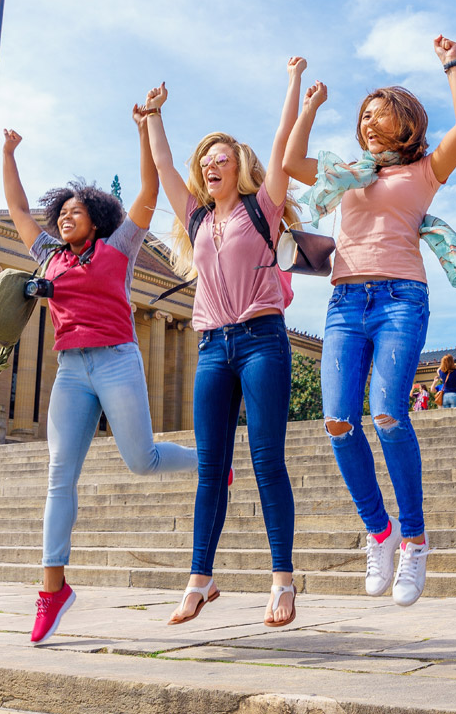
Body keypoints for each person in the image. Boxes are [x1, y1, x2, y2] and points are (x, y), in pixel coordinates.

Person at [283, 33, 456, 607]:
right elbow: (293, 162)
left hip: (400, 299)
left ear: (407, 123)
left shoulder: (422, 171)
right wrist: (309, 105)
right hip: (345, 303)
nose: (369, 122)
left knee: (389, 414)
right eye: (364, 114)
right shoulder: (347, 171)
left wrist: (452, 65)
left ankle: (415, 539)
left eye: (381, 113)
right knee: (339, 422)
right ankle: (381, 531)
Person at [0, 120, 199, 645]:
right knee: (59, 476)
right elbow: (18, 210)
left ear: (97, 219)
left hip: (116, 361)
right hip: (71, 371)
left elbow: (149, 190)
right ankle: (52, 591)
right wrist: (10, 153)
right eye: (61, 212)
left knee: (142, 460)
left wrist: (141, 131)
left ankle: (212, 464)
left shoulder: (120, 248)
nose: (66, 217)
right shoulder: (49, 257)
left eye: (76, 211)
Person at [144, 63, 304, 629]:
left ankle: (282, 581)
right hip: (212, 346)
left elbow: (283, 144)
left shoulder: (263, 210)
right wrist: (155, 117)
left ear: (239, 168)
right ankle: (200, 579)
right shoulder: (195, 216)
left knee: (266, 462)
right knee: (211, 467)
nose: (211, 165)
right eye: (205, 160)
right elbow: (163, 165)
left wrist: (293, 84)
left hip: (262, 341)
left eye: (221, 158)